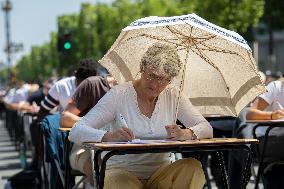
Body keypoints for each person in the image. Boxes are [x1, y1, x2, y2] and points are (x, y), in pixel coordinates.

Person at [69, 43, 213, 189]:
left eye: (163, 79)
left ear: (170, 80)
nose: (155, 85)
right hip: (122, 174)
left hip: (161, 174)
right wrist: (109, 137)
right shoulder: (119, 94)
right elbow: (76, 131)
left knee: (193, 168)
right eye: (152, 76)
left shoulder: (173, 95)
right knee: (117, 181)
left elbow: (207, 128)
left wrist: (186, 133)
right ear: (142, 69)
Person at [60, 75, 117, 188]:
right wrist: (95, 123)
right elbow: (65, 119)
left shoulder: (137, 90)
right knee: (102, 170)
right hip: (84, 148)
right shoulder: (92, 84)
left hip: (121, 150)